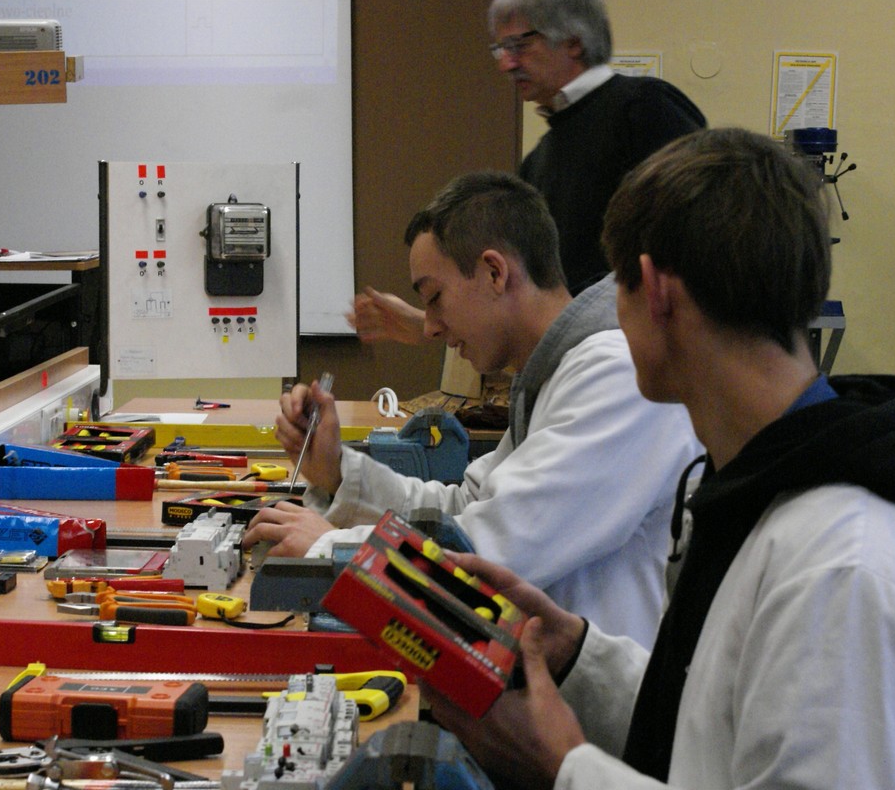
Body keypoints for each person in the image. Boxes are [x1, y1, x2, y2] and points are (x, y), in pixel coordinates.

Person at [426, 128, 895, 788]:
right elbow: (723, 727)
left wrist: (564, 767)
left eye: (615, 288)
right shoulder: (761, 487)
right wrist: (578, 655)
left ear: (654, 291)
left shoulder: (843, 570)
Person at [245, 171, 702, 648]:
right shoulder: (553, 375)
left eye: (434, 298)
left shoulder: (613, 376)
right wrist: (337, 471)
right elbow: (464, 510)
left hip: (595, 694)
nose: (429, 327)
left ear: (494, 272)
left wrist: (328, 548)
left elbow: (492, 552)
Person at [345, 0, 706, 344]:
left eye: (519, 45)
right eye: (501, 49)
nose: (506, 64)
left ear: (574, 41)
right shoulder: (538, 161)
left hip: (637, 362)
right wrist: (427, 321)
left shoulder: (646, 108)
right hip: (578, 357)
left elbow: (691, 249)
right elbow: (528, 297)